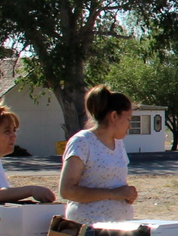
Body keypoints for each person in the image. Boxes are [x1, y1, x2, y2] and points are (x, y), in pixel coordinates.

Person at [58, 85, 138, 225]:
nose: (129, 126)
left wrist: (127, 194)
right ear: (114, 116)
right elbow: (67, 191)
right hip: (89, 226)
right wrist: (115, 194)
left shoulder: (118, 143)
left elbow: (113, 183)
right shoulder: (82, 142)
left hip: (119, 226)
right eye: (128, 119)